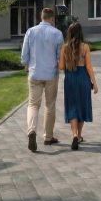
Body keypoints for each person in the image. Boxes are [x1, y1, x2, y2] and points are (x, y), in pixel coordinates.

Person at [21, 8, 64, 152]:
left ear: (41, 17)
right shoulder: (57, 33)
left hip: (34, 73)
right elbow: (60, 56)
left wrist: (26, 65)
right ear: (52, 18)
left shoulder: (31, 31)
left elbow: (24, 54)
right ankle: (48, 137)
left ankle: (31, 131)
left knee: (33, 104)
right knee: (50, 105)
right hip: (51, 74)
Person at [58, 22, 98, 150]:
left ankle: (74, 135)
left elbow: (61, 67)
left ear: (69, 33)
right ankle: (79, 135)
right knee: (82, 106)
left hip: (70, 79)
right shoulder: (85, 47)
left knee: (72, 107)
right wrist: (94, 83)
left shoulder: (65, 48)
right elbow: (89, 67)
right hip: (83, 78)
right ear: (81, 33)